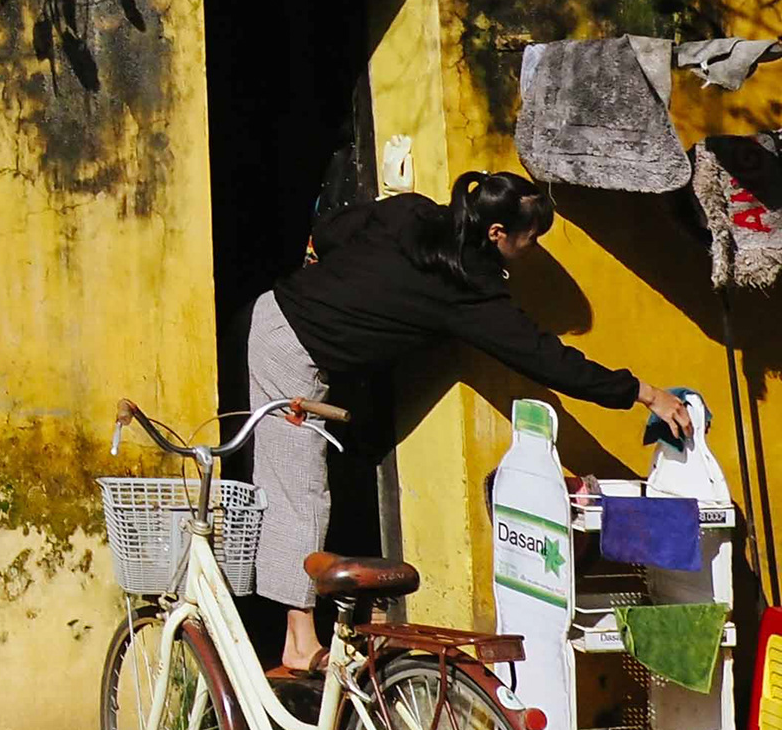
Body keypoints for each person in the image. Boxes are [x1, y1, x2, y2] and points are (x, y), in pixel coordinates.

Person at [248, 168, 691, 683]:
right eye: (530, 240)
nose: (530, 250)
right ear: (497, 234)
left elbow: (333, 230)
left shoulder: (415, 212)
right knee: (296, 487)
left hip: (318, 336)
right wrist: (643, 392)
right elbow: (546, 359)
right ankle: (299, 643)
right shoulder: (465, 290)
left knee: (348, 460)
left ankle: (338, 620)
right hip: (287, 345)